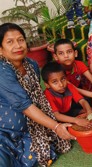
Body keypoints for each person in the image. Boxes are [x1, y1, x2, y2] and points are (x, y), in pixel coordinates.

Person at [0, 23, 74, 167]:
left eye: (20, 40)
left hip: (30, 128)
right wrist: (56, 126)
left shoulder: (32, 64)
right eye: (10, 42)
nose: (18, 45)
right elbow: (24, 105)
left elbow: (38, 97)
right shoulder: (2, 71)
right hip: (5, 132)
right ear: (0, 50)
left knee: (36, 155)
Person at [42, 62, 92, 127]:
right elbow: (57, 115)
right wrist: (76, 120)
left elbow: (82, 101)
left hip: (68, 110)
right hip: (56, 117)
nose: (61, 85)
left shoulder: (69, 86)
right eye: (55, 82)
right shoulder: (47, 94)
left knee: (87, 106)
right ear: (47, 85)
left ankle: (79, 113)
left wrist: (89, 110)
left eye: (63, 79)